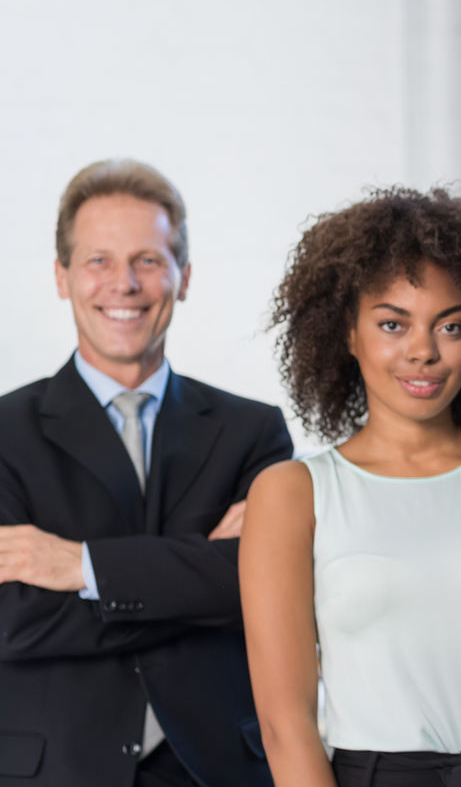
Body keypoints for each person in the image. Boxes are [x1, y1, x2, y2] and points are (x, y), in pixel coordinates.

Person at [240, 188, 461, 786]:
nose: (423, 352)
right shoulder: (292, 494)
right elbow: (286, 724)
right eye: (392, 323)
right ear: (349, 334)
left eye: (450, 326)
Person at [0, 158, 293, 787]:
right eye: (99, 260)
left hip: (216, 768)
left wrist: (80, 567)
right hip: (55, 771)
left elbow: (265, 592)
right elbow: (12, 619)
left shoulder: (252, 432)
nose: (124, 283)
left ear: (183, 277)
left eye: (148, 260)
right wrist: (201, 576)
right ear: (62, 277)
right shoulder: (4, 434)